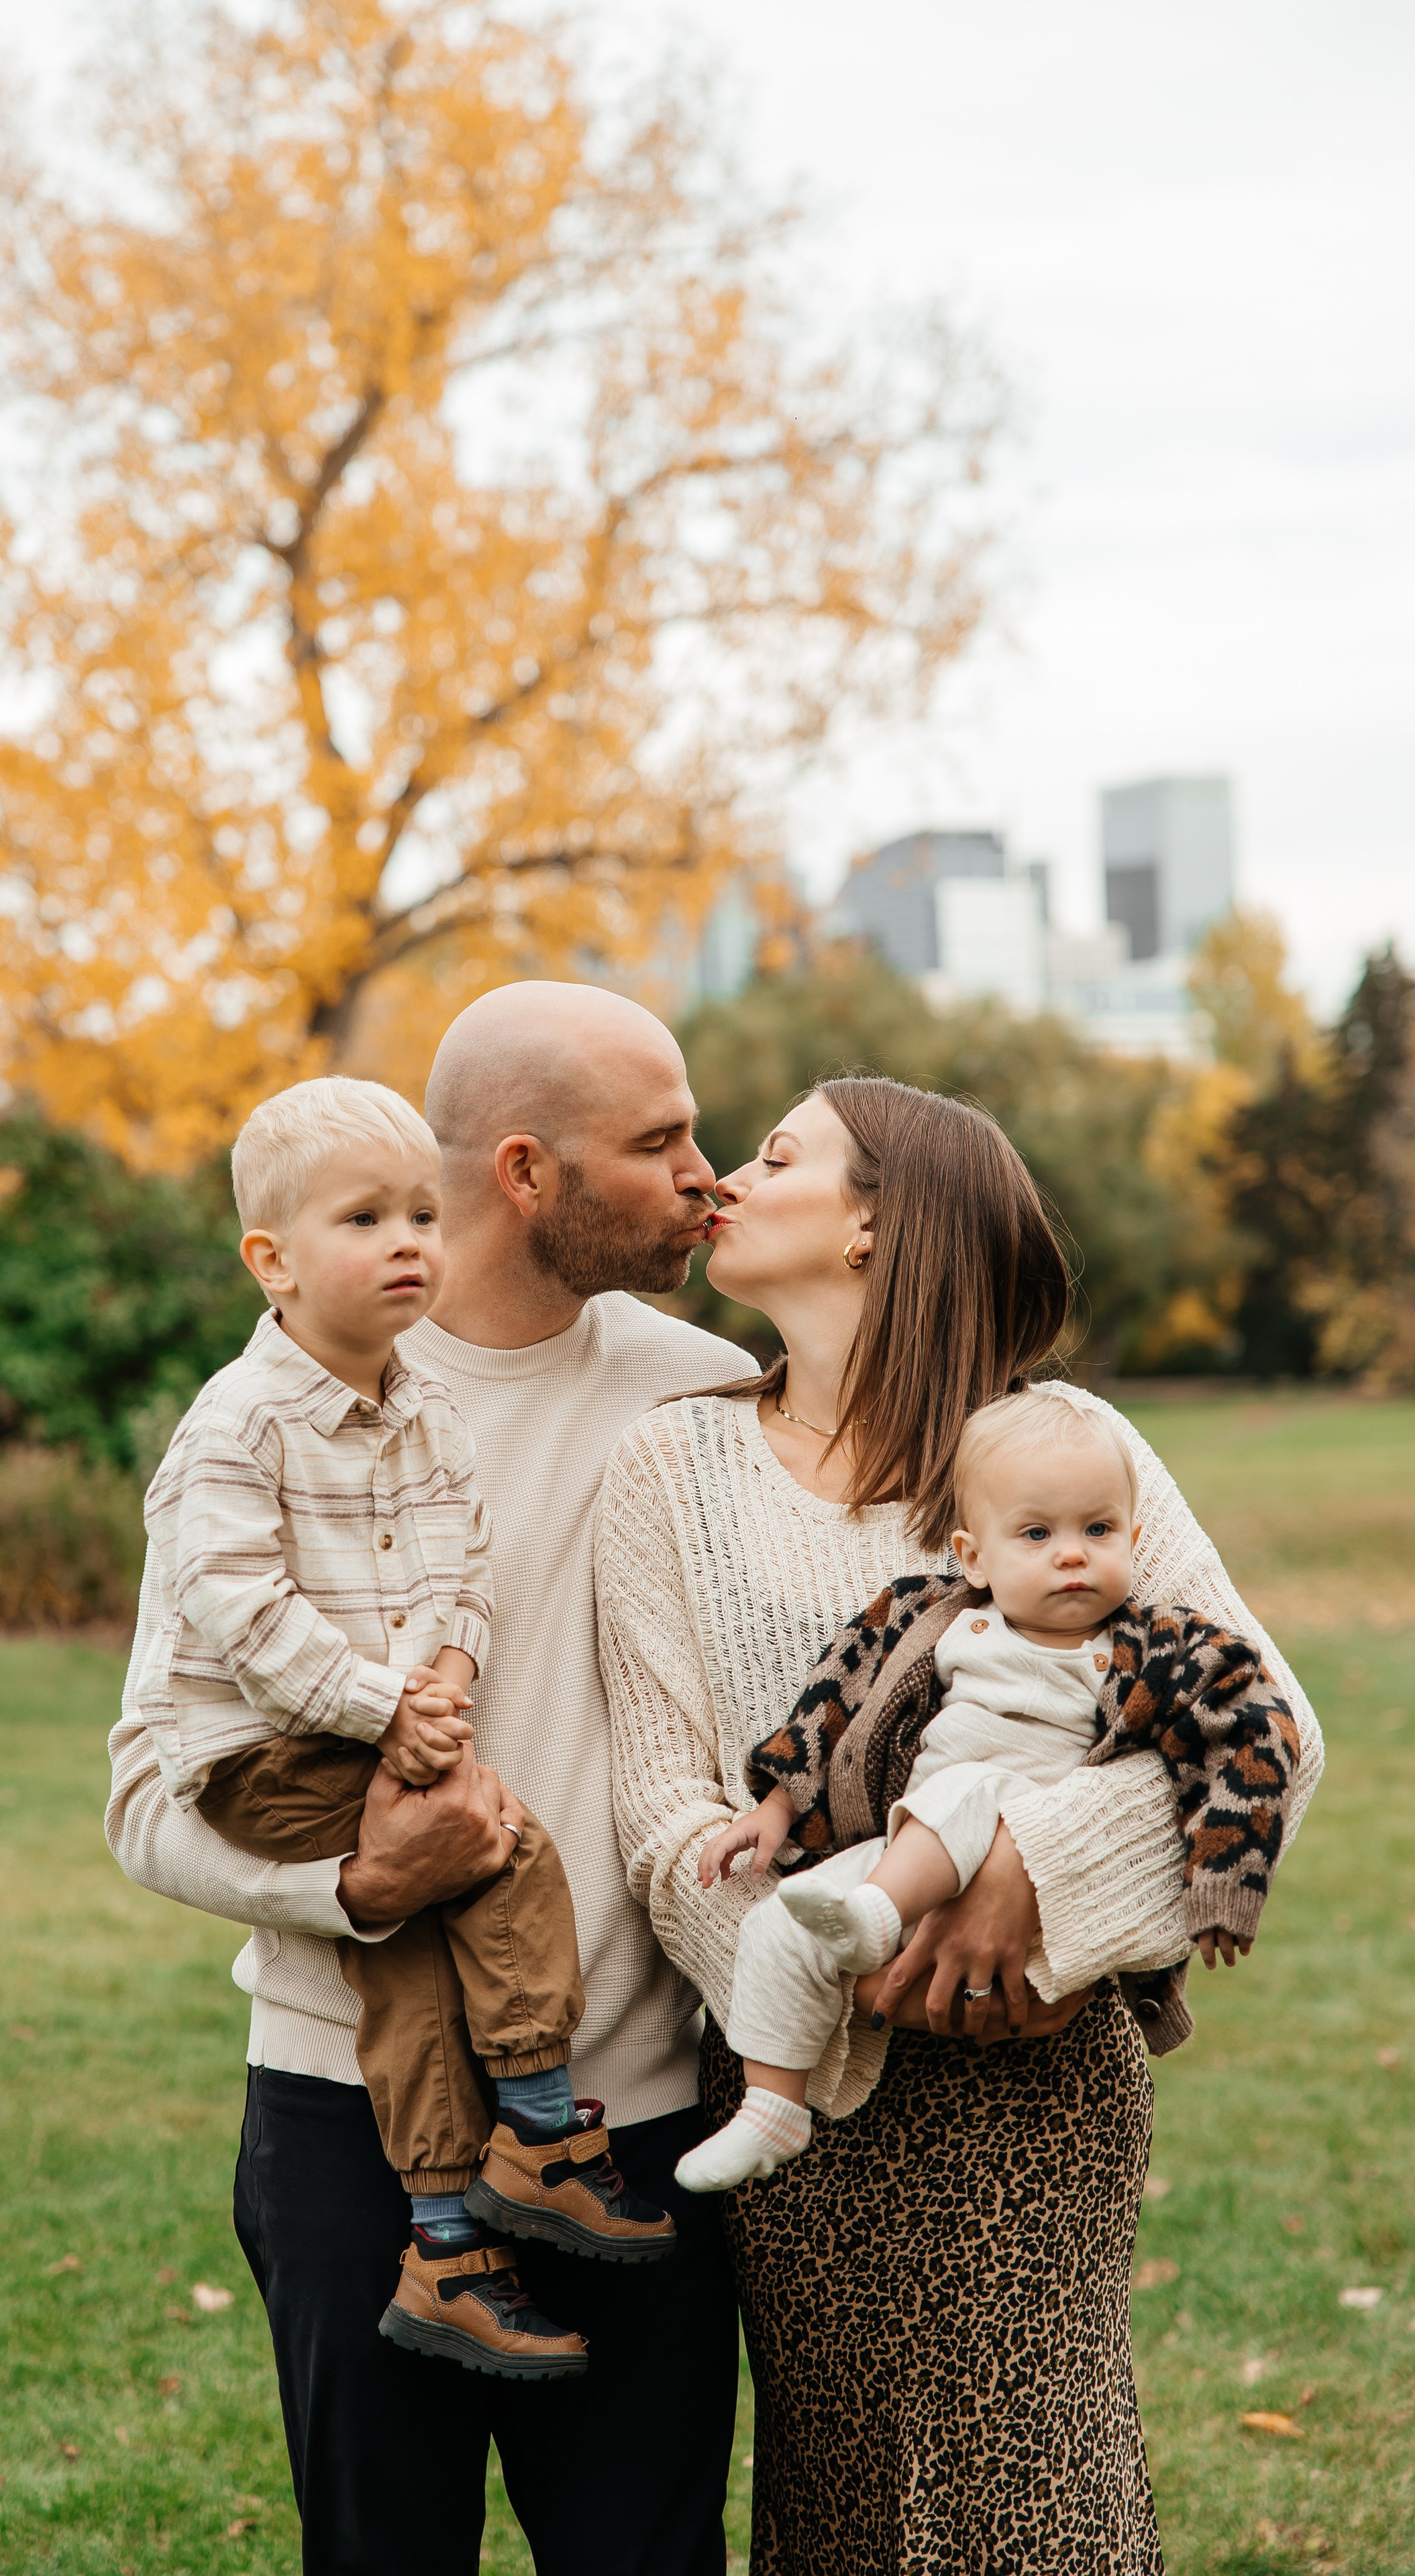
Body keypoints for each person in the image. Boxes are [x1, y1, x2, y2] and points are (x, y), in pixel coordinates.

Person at [596, 1075, 1325, 2576]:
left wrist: (1025, 1880)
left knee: (1045, 2508)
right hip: (799, 2097)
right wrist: (839, 1969)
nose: (729, 1172)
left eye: (775, 1153)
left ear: (874, 1224)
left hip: (1036, 2074)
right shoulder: (667, 1465)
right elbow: (666, 1809)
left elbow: (1272, 1734)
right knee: (851, 2513)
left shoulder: (1062, 1454)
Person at [105, 984, 754, 2573]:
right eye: (656, 1139)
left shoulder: (709, 1393)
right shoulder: (273, 1418)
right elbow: (141, 1788)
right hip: (345, 2118)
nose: (705, 1174)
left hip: (632, 2130)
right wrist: (342, 1884)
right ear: (528, 1171)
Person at [132, 1073, 676, 2385]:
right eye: (364, 1220)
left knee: (414, 1962)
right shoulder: (236, 1424)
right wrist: (392, 1722)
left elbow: (457, 1564)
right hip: (262, 1764)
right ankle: (539, 2138)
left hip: (380, 1733)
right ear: (269, 1261)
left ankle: (444, 2244)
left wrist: (443, 1677)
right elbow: (235, 1610)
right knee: (498, 1846)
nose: (404, 1245)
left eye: (417, 1217)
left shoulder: (423, 1409)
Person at [674, 1383, 1301, 2193]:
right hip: (909, 1849)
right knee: (776, 1927)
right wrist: (777, 1804)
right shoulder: (927, 1620)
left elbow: (1255, 1733)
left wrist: (1223, 1881)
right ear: (974, 1556)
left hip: (1030, 1857)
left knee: (969, 1791)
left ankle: (874, 1918)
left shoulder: (1157, 1645)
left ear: (1134, 1539)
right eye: (1036, 1533)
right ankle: (774, 2104)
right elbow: (831, 1706)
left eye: (1098, 1530)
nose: (1071, 1553)